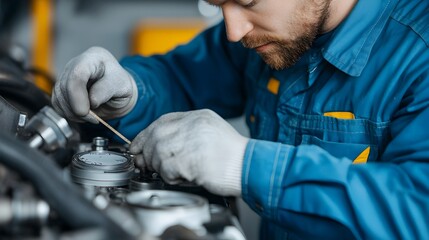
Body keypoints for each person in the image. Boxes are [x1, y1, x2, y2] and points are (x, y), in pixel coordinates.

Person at [51, 0, 429, 239]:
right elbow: (183, 78)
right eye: (218, 4)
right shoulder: (269, 33)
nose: (234, 31)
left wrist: (246, 165)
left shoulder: (418, 53)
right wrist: (131, 91)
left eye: (248, 1)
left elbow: (418, 212)